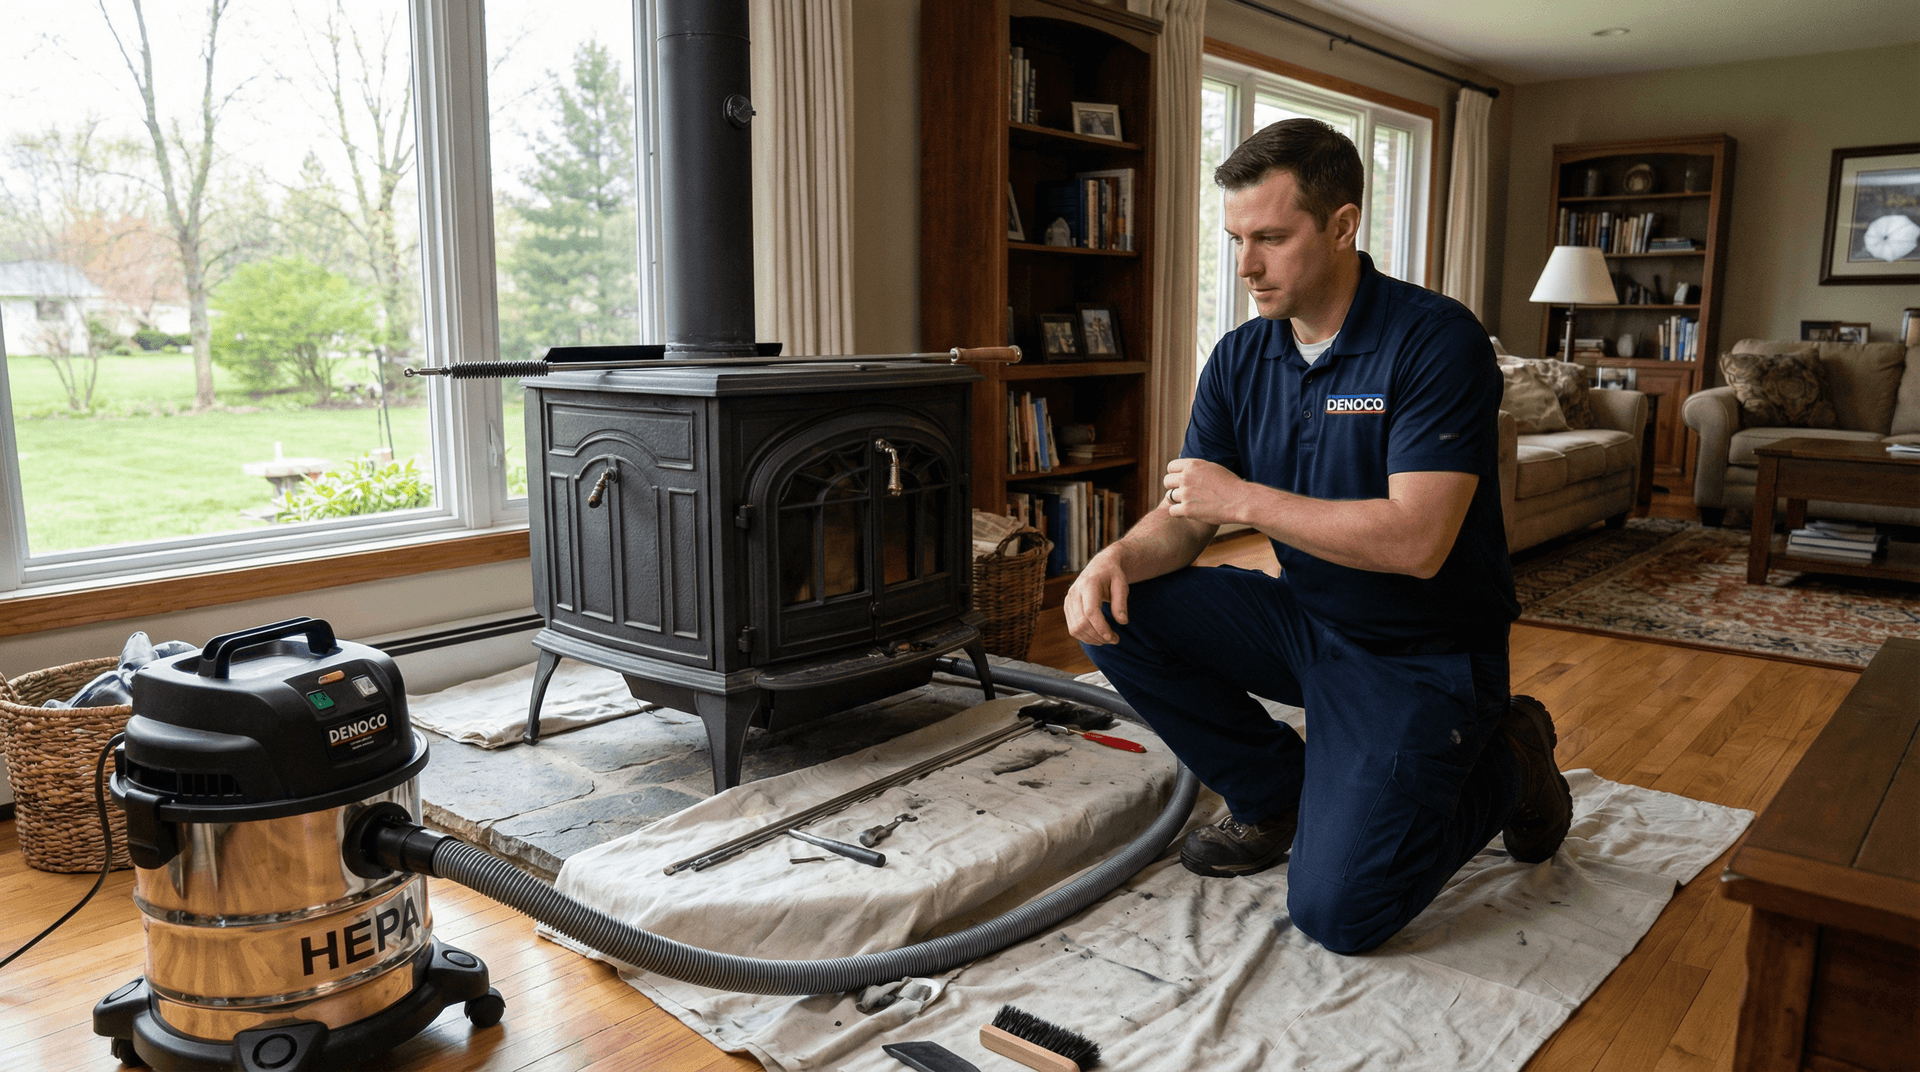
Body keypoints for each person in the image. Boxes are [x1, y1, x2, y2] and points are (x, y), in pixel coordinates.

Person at [1065, 118, 1572, 956]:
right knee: (1125, 605)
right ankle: (1275, 792)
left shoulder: (1435, 340)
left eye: (1270, 237)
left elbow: (1419, 541)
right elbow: (1191, 515)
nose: (1245, 266)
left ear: (1342, 226)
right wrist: (1115, 557)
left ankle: (1511, 755)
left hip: (1426, 655)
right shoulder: (1239, 358)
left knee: (1339, 914)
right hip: (1309, 622)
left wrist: (1247, 500)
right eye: (1236, 238)